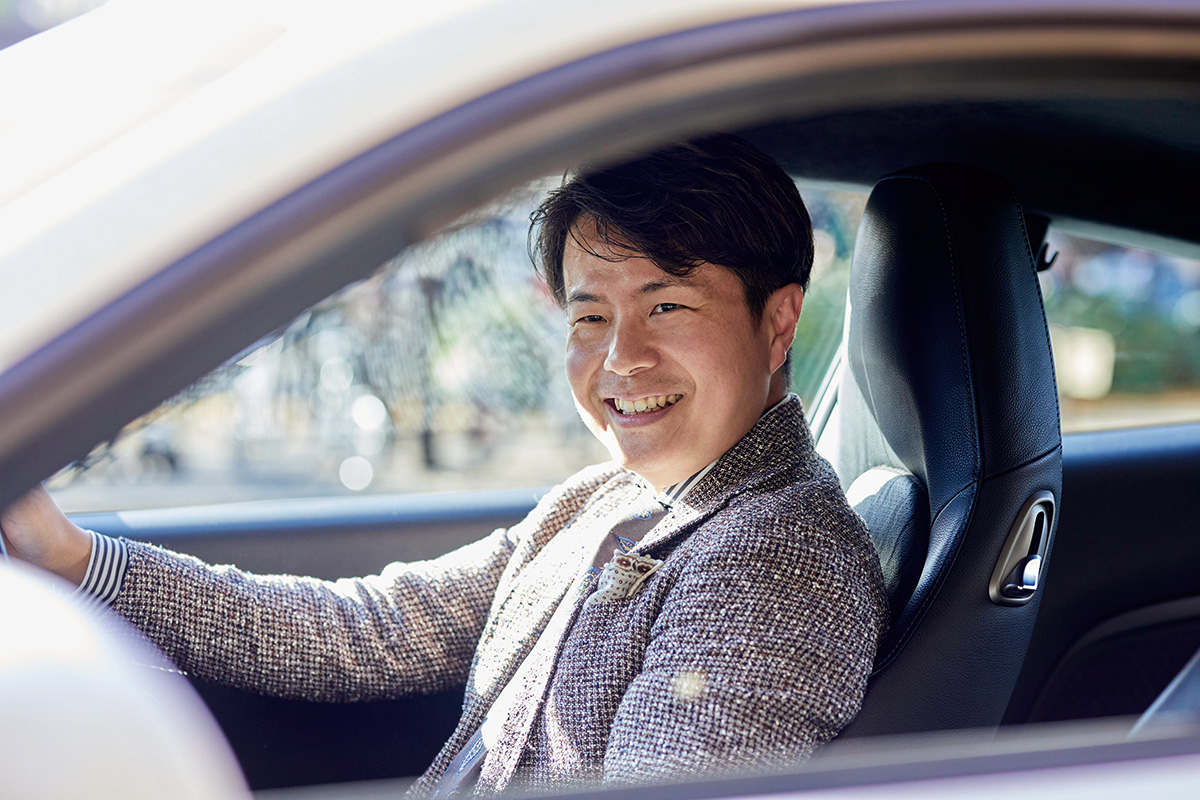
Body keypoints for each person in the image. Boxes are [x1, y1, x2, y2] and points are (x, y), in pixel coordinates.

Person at [0, 134, 888, 796]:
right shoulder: (608, 498)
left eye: (666, 305)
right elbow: (366, 633)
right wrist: (74, 560)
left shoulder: (776, 558)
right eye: (589, 319)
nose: (621, 359)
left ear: (778, 325)